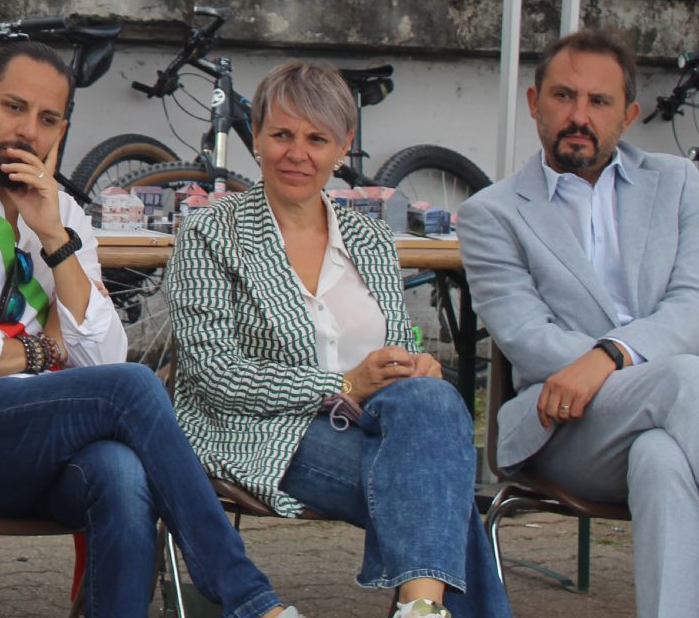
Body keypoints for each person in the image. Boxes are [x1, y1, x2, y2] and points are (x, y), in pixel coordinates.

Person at [0, 42, 299, 618]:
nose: (28, 131)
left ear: (61, 130)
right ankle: (245, 596)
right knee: (133, 388)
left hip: (37, 442)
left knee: (119, 470)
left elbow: (103, 357)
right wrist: (42, 352)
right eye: (13, 108)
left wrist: (53, 239)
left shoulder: (63, 212)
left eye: (47, 119)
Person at [167, 61, 510, 618]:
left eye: (317, 139)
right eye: (282, 134)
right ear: (257, 136)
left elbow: (395, 340)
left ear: (343, 145)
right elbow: (214, 375)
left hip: (379, 421)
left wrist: (411, 364)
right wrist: (344, 383)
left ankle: (420, 609)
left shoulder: (369, 236)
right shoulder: (212, 230)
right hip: (262, 429)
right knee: (440, 491)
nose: (296, 154)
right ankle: (422, 609)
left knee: (431, 403)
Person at [460, 27, 699, 618]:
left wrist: (609, 356)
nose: (579, 116)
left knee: (661, 460)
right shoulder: (490, 214)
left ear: (629, 115)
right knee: (684, 377)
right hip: (563, 426)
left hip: (671, 416)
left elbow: (692, 305)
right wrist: (609, 364)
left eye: (599, 101)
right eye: (564, 96)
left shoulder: (681, 185)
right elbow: (525, 336)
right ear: (534, 102)